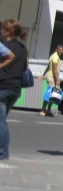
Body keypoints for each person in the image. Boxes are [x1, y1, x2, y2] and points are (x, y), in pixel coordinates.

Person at [0, 20, 29, 164]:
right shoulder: (23, 49)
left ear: (8, 32)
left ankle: (3, 153)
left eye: (2, 28)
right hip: (15, 89)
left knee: (1, 121)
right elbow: (25, 68)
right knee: (2, 120)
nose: (0, 30)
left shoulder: (4, 47)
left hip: (2, 87)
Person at [40, 44, 63, 117]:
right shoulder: (55, 57)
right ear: (57, 49)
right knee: (49, 94)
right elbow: (55, 69)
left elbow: (48, 66)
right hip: (52, 77)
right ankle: (43, 110)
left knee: (52, 95)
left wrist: (43, 75)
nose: (61, 52)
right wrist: (57, 79)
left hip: (50, 76)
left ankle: (48, 110)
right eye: (60, 50)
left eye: (62, 51)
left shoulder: (53, 56)